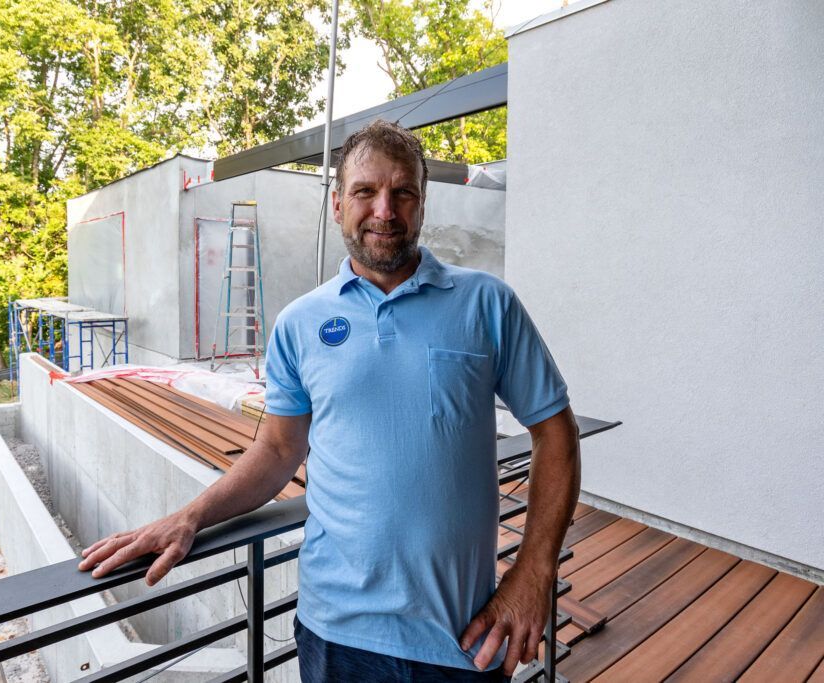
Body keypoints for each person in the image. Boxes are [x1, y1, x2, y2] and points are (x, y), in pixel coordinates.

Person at [78, 120, 580, 682]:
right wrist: (188, 518)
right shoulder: (300, 323)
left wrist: (533, 570)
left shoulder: (487, 303)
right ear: (338, 203)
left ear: (422, 204)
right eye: (365, 191)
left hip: (461, 635)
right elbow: (276, 451)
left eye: (403, 192)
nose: (384, 210)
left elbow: (555, 432)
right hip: (335, 632)